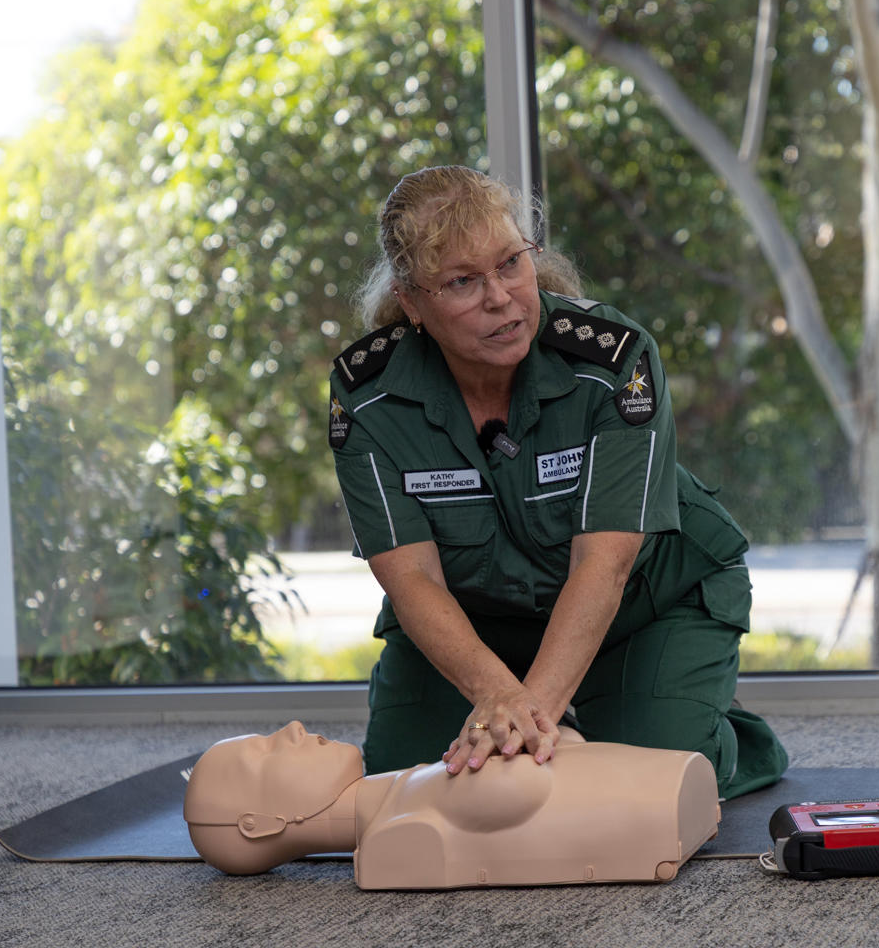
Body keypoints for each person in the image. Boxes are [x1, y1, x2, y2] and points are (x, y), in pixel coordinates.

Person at [327, 164, 787, 800]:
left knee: (652, 786)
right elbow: (412, 578)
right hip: (475, 616)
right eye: (462, 281)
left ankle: (702, 718)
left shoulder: (611, 360)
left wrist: (526, 720)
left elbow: (604, 566)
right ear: (412, 302)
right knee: (405, 787)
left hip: (646, 600)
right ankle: (569, 709)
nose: (500, 297)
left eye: (510, 263)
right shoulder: (367, 396)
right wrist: (496, 695)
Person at [182, 721, 720, 888]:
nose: (293, 728)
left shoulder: (407, 792)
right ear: (259, 824)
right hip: (662, 802)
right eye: (265, 752)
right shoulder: (402, 826)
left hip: (665, 786)